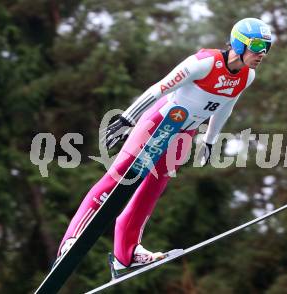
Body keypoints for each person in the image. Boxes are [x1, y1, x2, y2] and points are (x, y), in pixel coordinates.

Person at [55, 18, 272, 272]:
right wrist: (127, 118)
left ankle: (126, 254)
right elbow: (158, 89)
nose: (262, 53)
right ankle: (71, 240)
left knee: (153, 188)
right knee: (121, 174)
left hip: (184, 134)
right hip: (159, 122)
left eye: (267, 47)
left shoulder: (247, 76)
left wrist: (211, 140)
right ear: (239, 42)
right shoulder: (203, 62)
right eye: (257, 46)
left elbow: (226, 107)